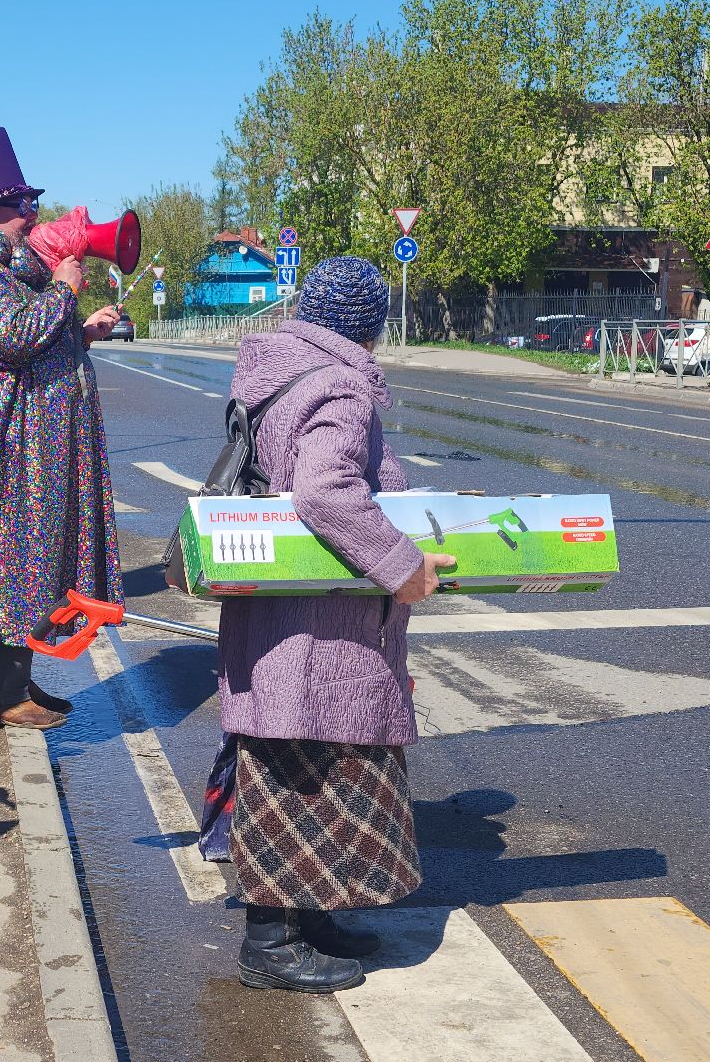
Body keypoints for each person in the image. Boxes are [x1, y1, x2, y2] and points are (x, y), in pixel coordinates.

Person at [216, 257, 455, 994]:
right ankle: (270, 943)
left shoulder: (273, 370)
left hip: (282, 608)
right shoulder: (341, 386)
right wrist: (398, 563)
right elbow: (324, 489)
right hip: (321, 618)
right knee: (300, 764)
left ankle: (309, 917)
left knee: (311, 754)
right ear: (368, 329)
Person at [0, 127, 123, 730]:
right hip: (10, 449)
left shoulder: (9, 269)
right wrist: (65, 293)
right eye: (22, 206)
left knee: (35, 561)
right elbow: (11, 337)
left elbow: (29, 335)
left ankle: (17, 681)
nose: (31, 215)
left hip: (33, 447)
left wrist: (78, 327)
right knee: (17, 562)